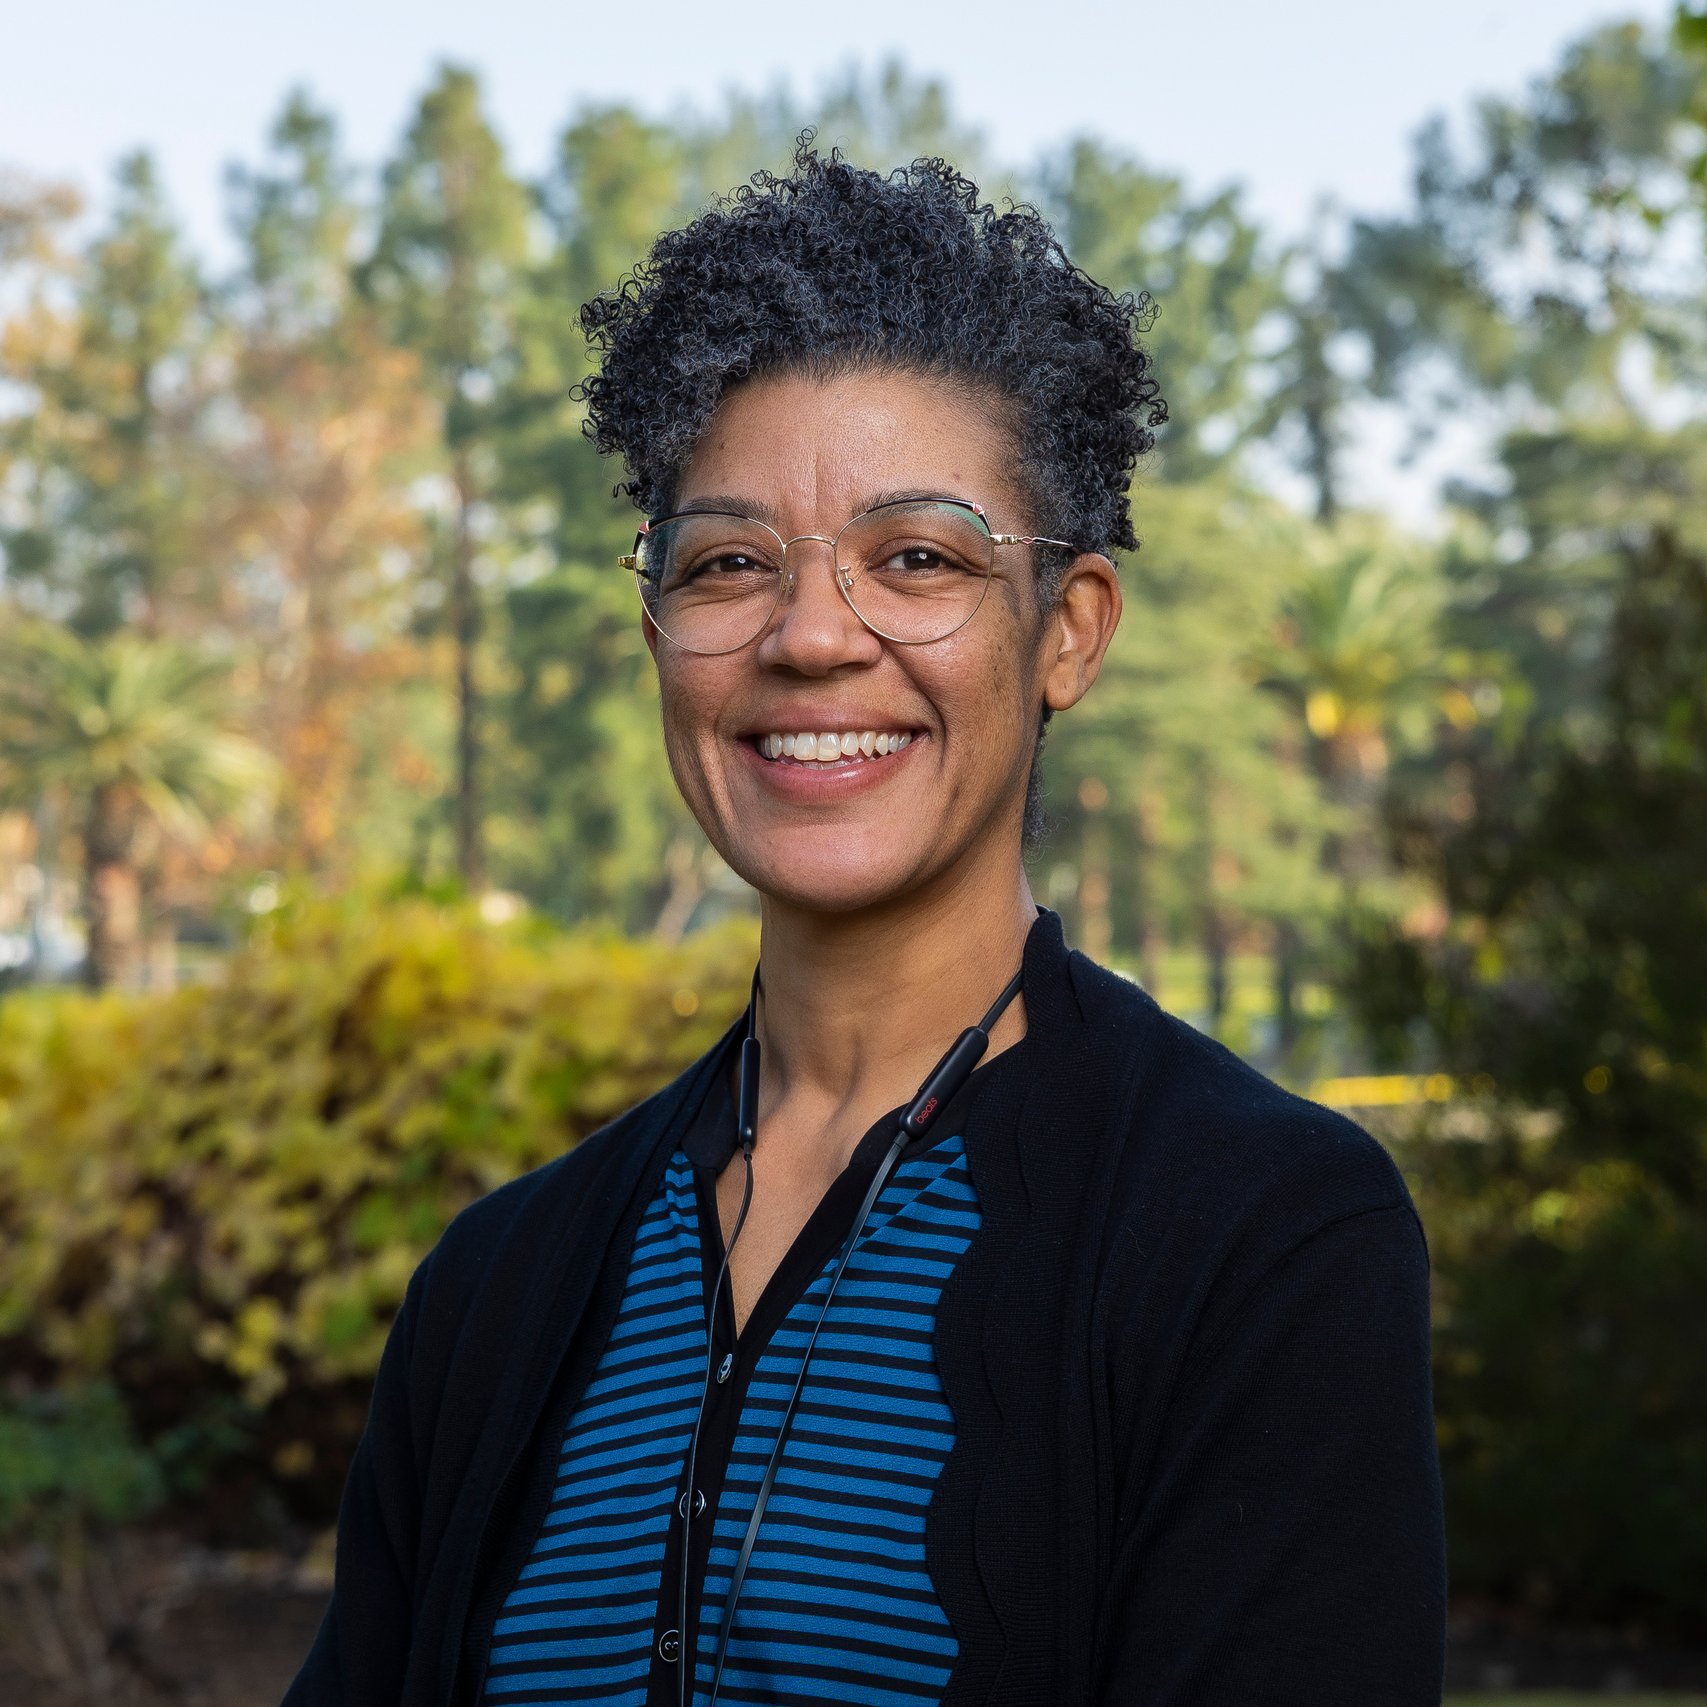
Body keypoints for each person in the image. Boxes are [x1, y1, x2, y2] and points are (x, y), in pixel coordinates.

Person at [283, 143, 1446, 1707]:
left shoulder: (1259, 1236)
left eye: (917, 557)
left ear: (1070, 630)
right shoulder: (497, 1287)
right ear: (660, 640)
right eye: (729, 564)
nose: (813, 634)